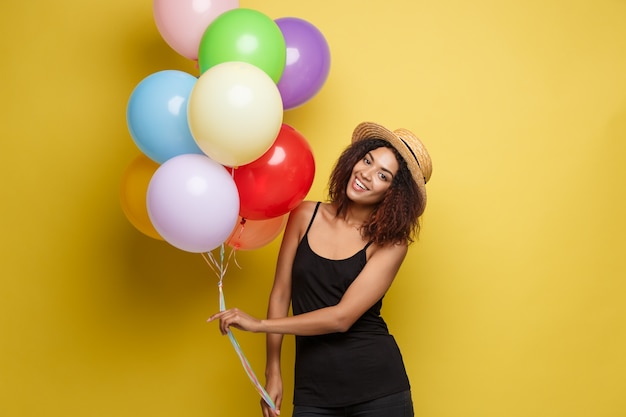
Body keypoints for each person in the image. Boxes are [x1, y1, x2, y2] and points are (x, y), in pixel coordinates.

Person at [208, 121, 433, 417]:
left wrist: (259, 324)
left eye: (383, 175)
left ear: (393, 194)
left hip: (378, 390)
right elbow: (281, 293)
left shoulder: (391, 244)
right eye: (367, 161)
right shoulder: (305, 215)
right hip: (313, 390)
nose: (366, 174)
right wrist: (272, 370)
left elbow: (342, 318)